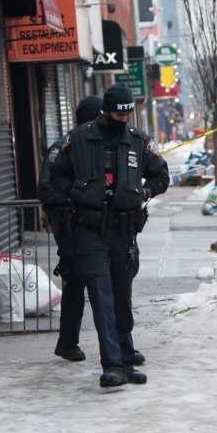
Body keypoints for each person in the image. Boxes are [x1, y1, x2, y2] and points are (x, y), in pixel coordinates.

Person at [47, 84, 170, 388]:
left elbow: (161, 174)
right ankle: (112, 365)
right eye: (117, 113)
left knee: (121, 297)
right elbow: (51, 179)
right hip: (88, 230)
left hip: (123, 231)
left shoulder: (138, 142)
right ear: (105, 111)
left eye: (127, 114)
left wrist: (146, 190)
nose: (122, 119)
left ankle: (126, 359)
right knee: (101, 296)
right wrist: (68, 206)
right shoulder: (77, 140)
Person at [40, 95, 103, 364]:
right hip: (72, 227)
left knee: (93, 285)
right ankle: (68, 342)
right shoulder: (64, 148)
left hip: (95, 225)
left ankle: (73, 343)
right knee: (78, 283)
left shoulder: (98, 145)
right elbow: (47, 188)